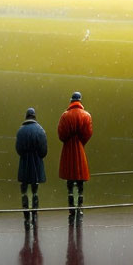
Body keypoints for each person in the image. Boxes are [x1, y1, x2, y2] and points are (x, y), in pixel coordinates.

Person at [58, 92, 93, 224]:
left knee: (69, 180)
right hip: (79, 148)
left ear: (71, 101)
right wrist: (80, 142)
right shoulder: (86, 116)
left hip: (68, 149)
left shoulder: (65, 116)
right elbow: (88, 133)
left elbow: (61, 135)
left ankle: (71, 207)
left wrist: (69, 140)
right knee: (80, 180)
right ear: (80, 101)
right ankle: (80, 207)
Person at [16, 108, 48, 227]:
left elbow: (18, 149)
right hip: (36, 162)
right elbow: (43, 150)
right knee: (35, 189)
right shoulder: (40, 130)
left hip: (24, 162)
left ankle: (26, 215)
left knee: (24, 189)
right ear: (34, 116)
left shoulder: (21, 131)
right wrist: (38, 156)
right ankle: (34, 214)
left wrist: (25, 154)